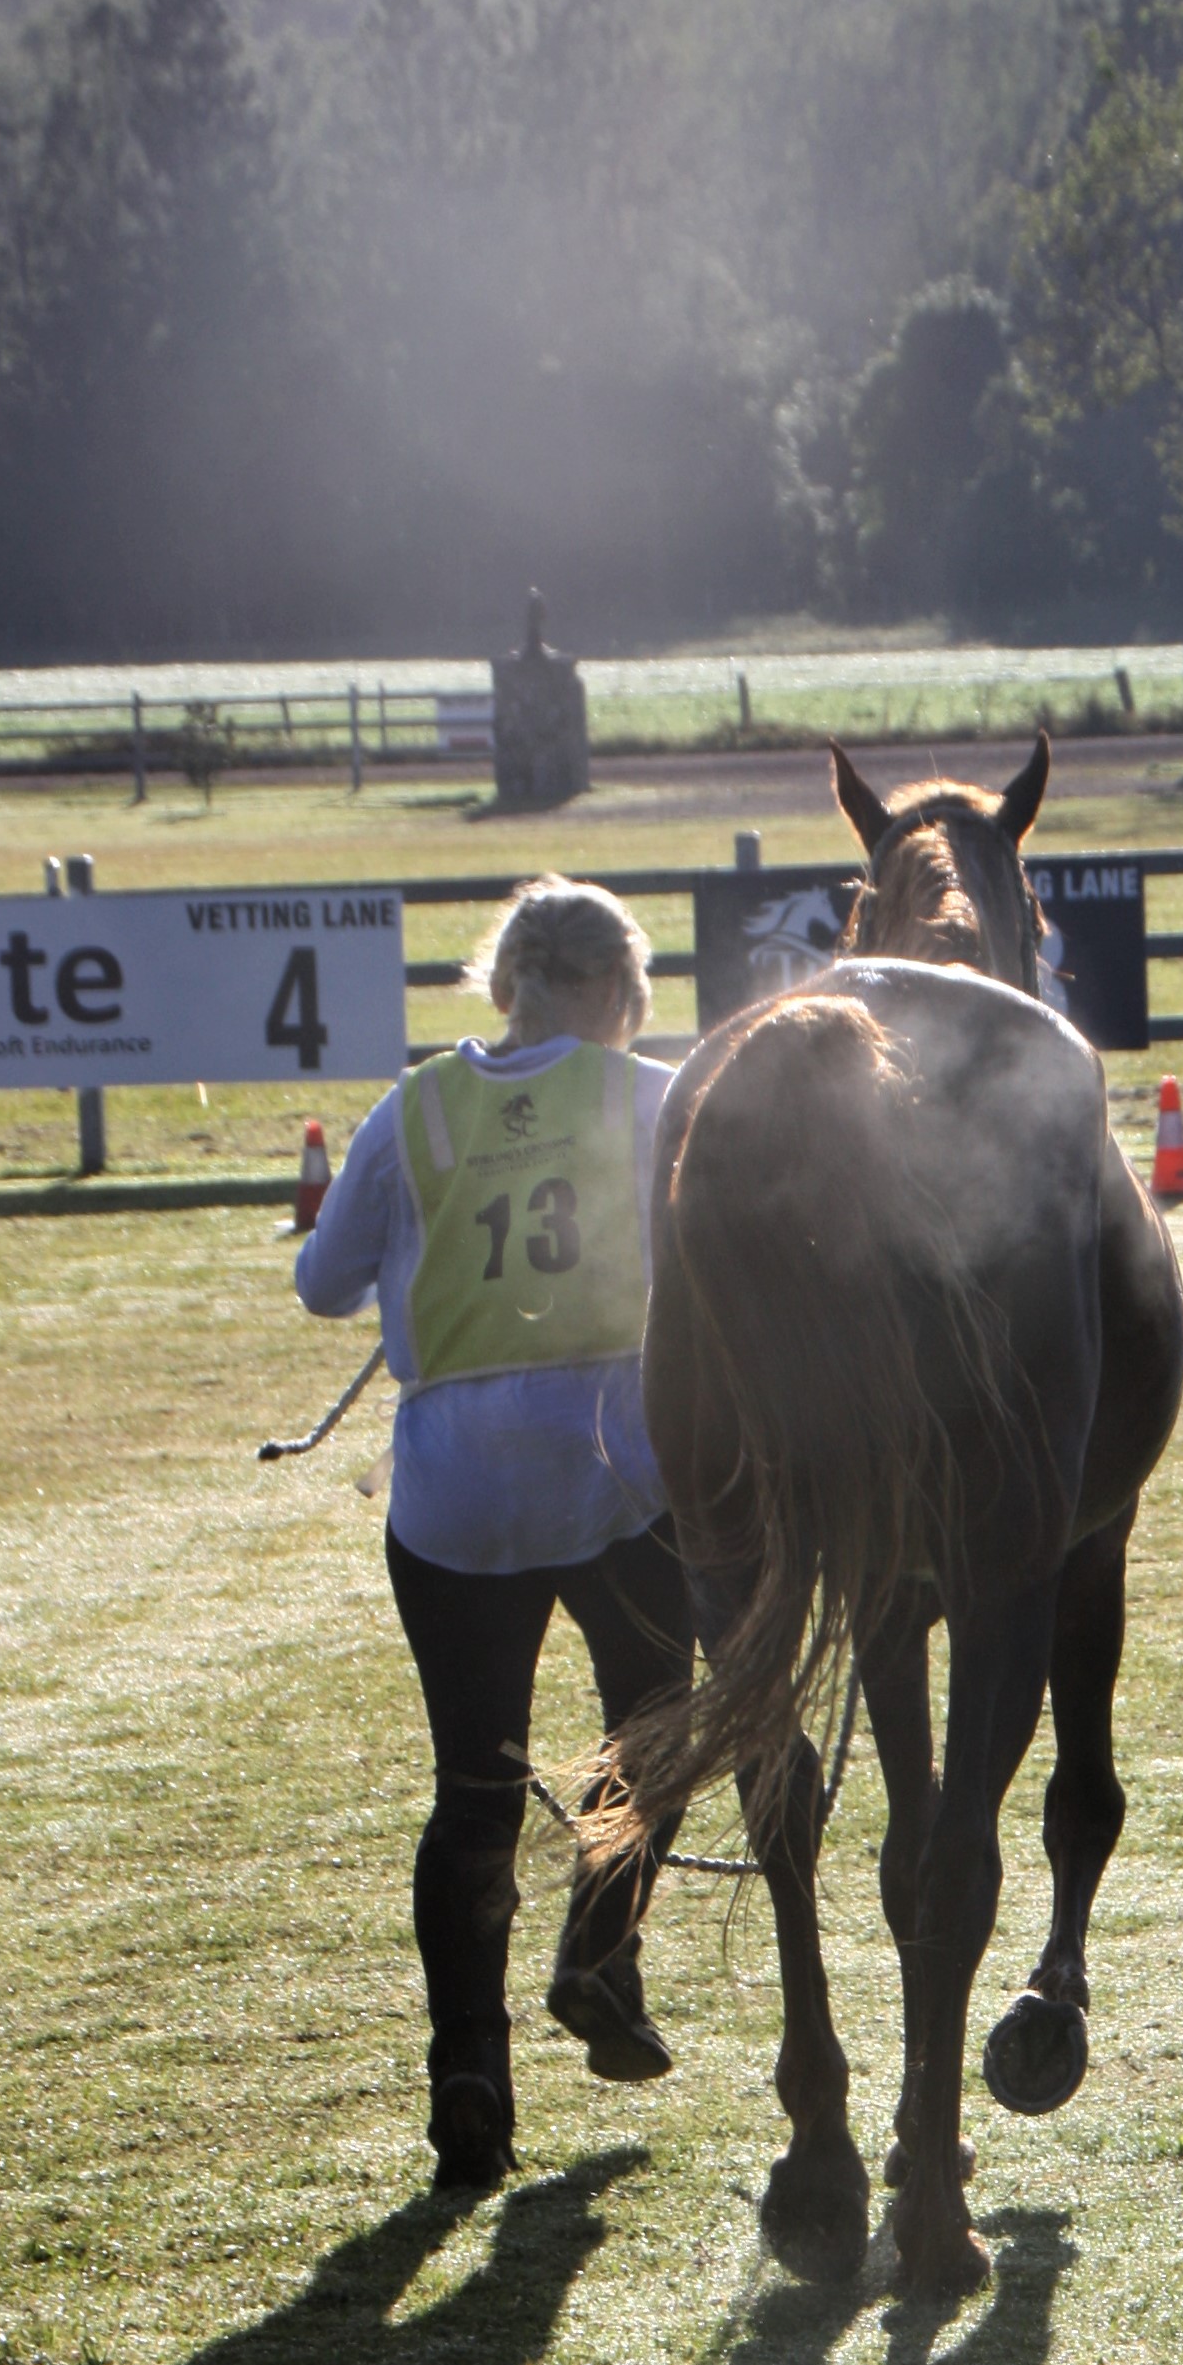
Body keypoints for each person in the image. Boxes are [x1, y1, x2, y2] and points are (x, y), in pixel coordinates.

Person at [295, 877, 690, 2191]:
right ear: (620, 992)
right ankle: (600, 1949)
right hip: (614, 1469)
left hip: (453, 1487)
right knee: (655, 1728)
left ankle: (468, 2067)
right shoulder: (650, 1096)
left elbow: (324, 1284)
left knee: (473, 1790)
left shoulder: (412, 1109)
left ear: (504, 987)